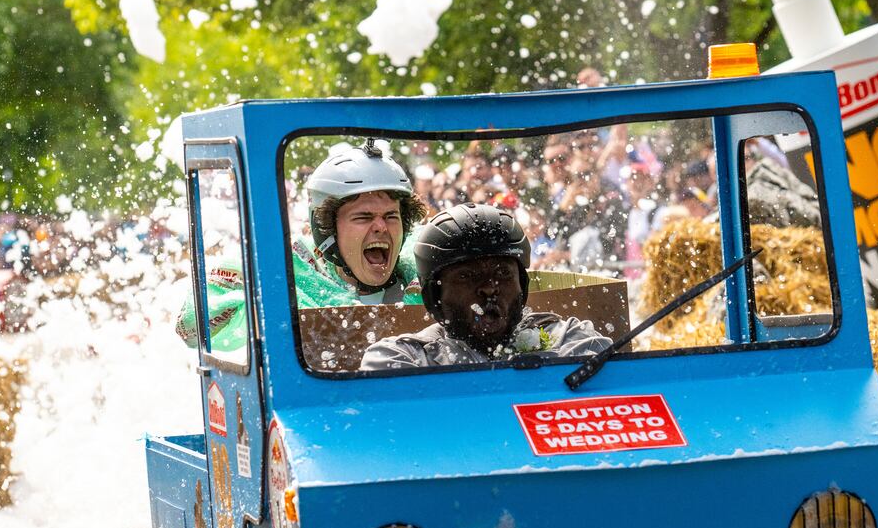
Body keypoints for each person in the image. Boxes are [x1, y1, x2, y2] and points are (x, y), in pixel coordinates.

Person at [177, 140, 429, 349]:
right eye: (363, 217)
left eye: (391, 216)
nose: (381, 227)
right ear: (326, 229)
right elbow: (190, 331)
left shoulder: (427, 271)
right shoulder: (287, 275)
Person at [360, 204, 610, 369]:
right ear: (435, 297)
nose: (489, 288)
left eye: (502, 273)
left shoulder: (567, 337)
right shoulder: (402, 357)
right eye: (466, 276)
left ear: (522, 287)